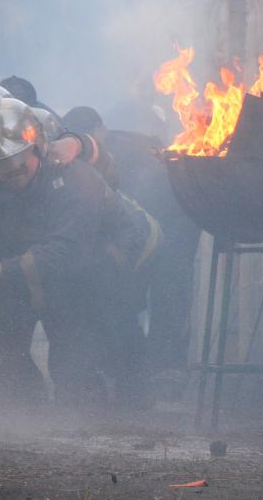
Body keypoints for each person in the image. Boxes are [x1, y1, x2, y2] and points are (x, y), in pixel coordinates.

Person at [0, 90, 153, 408]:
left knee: (82, 353)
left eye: (18, 168)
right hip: (33, 263)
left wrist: (2, 269)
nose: (10, 177)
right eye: (1, 171)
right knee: (4, 353)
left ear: (38, 149)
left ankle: (115, 413)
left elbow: (67, 255)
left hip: (97, 261)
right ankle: (31, 420)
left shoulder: (73, 179)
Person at [63, 106, 200, 386]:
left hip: (173, 218)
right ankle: (128, 368)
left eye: (89, 136)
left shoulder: (131, 147)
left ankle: (167, 367)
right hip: (134, 225)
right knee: (120, 292)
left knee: (169, 286)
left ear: (100, 129)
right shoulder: (80, 155)